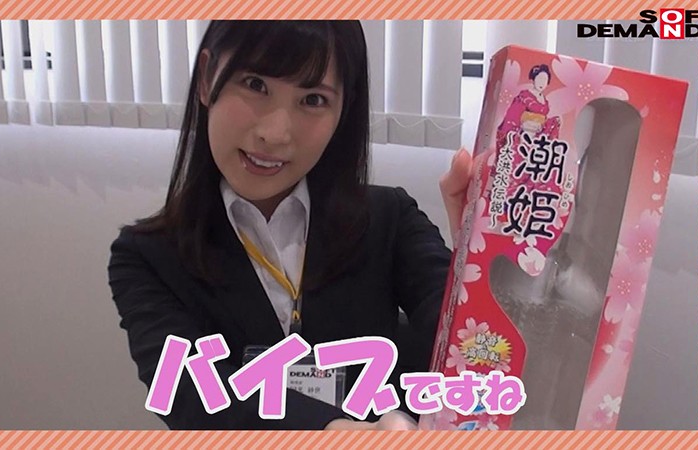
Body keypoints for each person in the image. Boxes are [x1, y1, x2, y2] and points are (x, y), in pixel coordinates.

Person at [108, 20, 473, 431]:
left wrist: (479, 255)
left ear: (343, 110)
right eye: (255, 84)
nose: (275, 134)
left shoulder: (390, 218)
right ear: (208, 78)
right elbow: (189, 394)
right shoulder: (146, 256)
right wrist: (335, 431)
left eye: (313, 99)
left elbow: (469, 347)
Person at [496, 64, 561, 148]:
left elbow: (544, 120)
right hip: (523, 134)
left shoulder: (545, 100)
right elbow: (512, 117)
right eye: (539, 79)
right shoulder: (524, 96)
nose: (542, 82)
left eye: (545, 80)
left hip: (538, 135)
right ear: (533, 79)